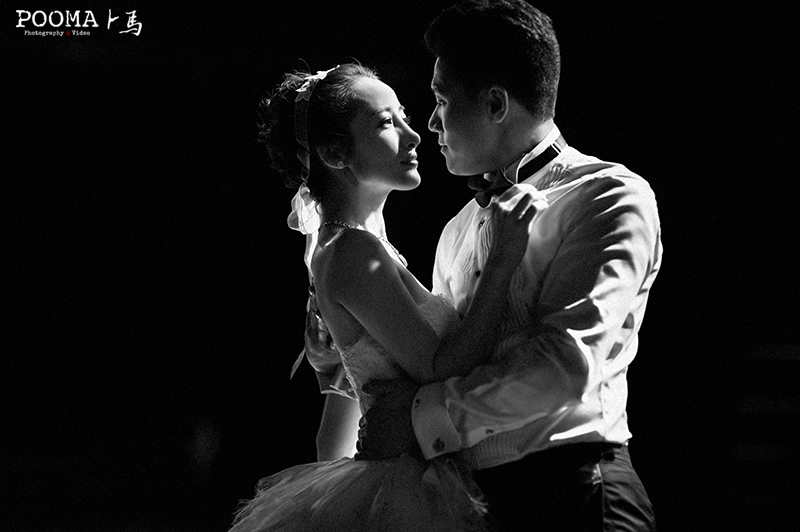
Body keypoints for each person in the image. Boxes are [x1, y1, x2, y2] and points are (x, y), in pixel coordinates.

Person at [356, 1, 662, 531]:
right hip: (480, 505)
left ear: (496, 103)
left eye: (441, 100)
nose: (430, 122)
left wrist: (421, 417)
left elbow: (566, 365)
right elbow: (446, 360)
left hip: (579, 495)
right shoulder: (455, 230)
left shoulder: (609, 196)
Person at [230, 63, 542, 531]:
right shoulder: (352, 253)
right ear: (334, 153)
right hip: (408, 489)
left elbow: (335, 429)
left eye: (404, 117)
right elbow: (440, 366)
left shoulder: (351, 248)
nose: (413, 136)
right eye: (385, 123)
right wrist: (501, 262)